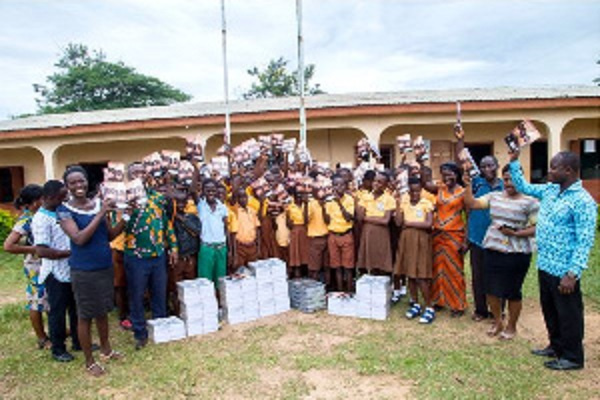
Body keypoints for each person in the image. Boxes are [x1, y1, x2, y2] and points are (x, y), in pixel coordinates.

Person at [509, 150, 597, 370]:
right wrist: (513, 161)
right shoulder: (550, 190)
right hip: (545, 263)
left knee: (568, 314)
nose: (549, 171)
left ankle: (573, 357)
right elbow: (523, 187)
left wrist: (572, 273)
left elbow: (584, 240)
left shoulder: (582, 201)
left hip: (564, 270)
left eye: (553, 167)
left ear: (568, 170)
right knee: (550, 309)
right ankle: (556, 346)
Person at [57, 166, 127, 377]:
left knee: (103, 311)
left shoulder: (97, 204)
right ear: (67, 187)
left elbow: (108, 235)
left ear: (87, 181)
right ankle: (89, 361)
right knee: (85, 316)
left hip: (104, 267)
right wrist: (100, 213)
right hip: (84, 271)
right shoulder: (64, 211)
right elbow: (78, 238)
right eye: (73, 183)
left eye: (82, 181)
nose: (79, 186)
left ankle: (106, 349)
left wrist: (126, 217)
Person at [464, 165, 538, 339]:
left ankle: (511, 326)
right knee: (490, 289)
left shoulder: (531, 201)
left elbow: (536, 227)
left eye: (513, 179)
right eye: (506, 179)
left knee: (513, 291)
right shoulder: (494, 197)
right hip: (493, 249)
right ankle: (498, 321)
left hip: (517, 253)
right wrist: (467, 185)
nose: (509, 183)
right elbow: (472, 203)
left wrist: (516, 233)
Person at [123, 168, 178, 350]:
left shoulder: (157, 198)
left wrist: (173, 247)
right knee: (137, 295)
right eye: (136, 173)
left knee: (159, 292)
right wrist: (126, 211)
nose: (141, 176)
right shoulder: (123, 200)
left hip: (158, 254)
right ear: (130, 178)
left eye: (143, 173)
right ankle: (140, 332)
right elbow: (116, 227)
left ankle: (161, 327)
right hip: (136, 256)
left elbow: (166, 223)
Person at [455, 126, 504, 321]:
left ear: (497, 166)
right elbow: (463, 162)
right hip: (477, 236)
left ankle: (498, 309)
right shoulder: (476, 183)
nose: (486, 169)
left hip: (500, 237)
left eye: (490, 165)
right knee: (479, 275)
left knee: (498, 274)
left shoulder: (504, 185)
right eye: (483, 166)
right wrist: (460, 139)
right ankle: (481, 310)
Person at [31, 180, 79, 362]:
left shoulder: (61, 211)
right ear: (49, 197)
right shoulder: (41, 219)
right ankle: (58, 349)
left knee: (75, 308)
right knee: (57, 312)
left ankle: (78, 341)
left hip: (71, 269)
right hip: (55, 273)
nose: (65, 198)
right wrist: (70, 252)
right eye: (61, 196)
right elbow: (42, 250)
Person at [3, 184, 51, 349]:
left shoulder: (43, 215)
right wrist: (34, 249)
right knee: (36, 302)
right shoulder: (27, 219)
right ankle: (42, 338)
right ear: (36, 201)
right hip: (35, 266)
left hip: (47, 263)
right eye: (42, 198)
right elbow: (8, 246)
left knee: (48, 298)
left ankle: (55, 330)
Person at [425, 162, 468, 317]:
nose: (447, 176)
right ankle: (438, 301)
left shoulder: (463, 192)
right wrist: (420, 159)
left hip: (455, 235)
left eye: (450, 173)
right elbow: (425, 183)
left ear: (457, 174)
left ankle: (458, 305)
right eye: (443, 173)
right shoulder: (440, 189)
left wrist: (465, 241)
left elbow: (468, 217)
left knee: (454, 270)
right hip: (437, 234)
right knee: (437, 269)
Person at [395, 178, 435, 323]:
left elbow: (429, 224)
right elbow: (399, 223)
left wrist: (410, 223)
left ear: (421, 191)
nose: (415, 194)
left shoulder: (426, 204)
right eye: (412, 191)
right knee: (409, 274)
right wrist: (399, 203)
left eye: (418, 191)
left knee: (421, 276)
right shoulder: (404, 203)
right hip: (406, 240)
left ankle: (429, 307)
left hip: (421, 241)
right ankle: (415, 303)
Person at [356, 171, 396, 275]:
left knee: (381, 257)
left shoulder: (389, 199)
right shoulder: (365, 196)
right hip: (367, 231)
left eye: (379, 182)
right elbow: (360, 217)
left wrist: (367, 218)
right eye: (374, 181)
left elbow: (385, 220)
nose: (376, 184)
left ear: (385, 185)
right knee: (369, 258)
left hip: (381, 233)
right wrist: (373, 218)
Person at [168, 190, 200, 315]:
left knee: (190, 287)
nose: (180, 205)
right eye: (177, 202)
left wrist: (179, 217)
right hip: (177, 260)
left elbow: (196, 231)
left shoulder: (191, 217)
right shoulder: (169, 220)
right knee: (176, 289)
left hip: (190, 258)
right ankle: (177, 313)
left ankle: (190, 313)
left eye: (183, 202)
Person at [197, 179, 229, 300]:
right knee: (205, 280)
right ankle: (207, 303)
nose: (210, 192)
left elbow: (226, 228)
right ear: (203, 191)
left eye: (213, 190)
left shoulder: (222, 207)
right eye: (207, 190)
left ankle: (219, 303)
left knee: (220, 279)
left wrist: (229, 249)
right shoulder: (200, 205)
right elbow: (193, 189)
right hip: (207, 248)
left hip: (221, 247)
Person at [324, 174, 355, 292]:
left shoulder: (349, 199)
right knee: (336, 266)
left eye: (341, 185)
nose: (338, 187)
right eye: (335, 185)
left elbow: (349, 218)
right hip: (333, 235)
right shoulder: (329, 200)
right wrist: (324, 206)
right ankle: (340, 291)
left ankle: (349, 291)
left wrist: (339, 203)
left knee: (348, 266)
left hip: (346, 235)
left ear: (346, 186)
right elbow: (327, 220)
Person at [306, 182, 330, 283]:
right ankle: (314, 288)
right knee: (314, 266)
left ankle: (328, 286)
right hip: (315, 239)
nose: (321, 191)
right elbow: (306, 219)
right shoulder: (310, 204)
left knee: (327, 265)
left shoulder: (328, 203)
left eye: (322, 189)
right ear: (314, 192)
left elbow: (328, 220)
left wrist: (323, 206)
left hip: (327, 237)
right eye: (318, 189)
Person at [231, 187, 261, 270]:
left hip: (252, 246)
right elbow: (233, 234)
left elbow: (257, 229)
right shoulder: (235, 212)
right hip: (240, 247)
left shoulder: (252, 211)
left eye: (245, 197)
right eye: (240, 197)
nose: (243, 199)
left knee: (252, 270)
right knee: (240, 272)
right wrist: (235, 254)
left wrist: (258, 247)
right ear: (237, 199)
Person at [286, 188, 309, 278]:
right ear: (294, 197)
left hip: (305, 230)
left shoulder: (306, 205)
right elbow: (288, 223)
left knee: (306, 253)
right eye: (297, 196)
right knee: (296, 254)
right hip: (295, 231)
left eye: (301, 196)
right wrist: (290, 223)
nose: (299, 198)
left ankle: (306, 275)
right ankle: (297, 276)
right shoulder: (290, 207)